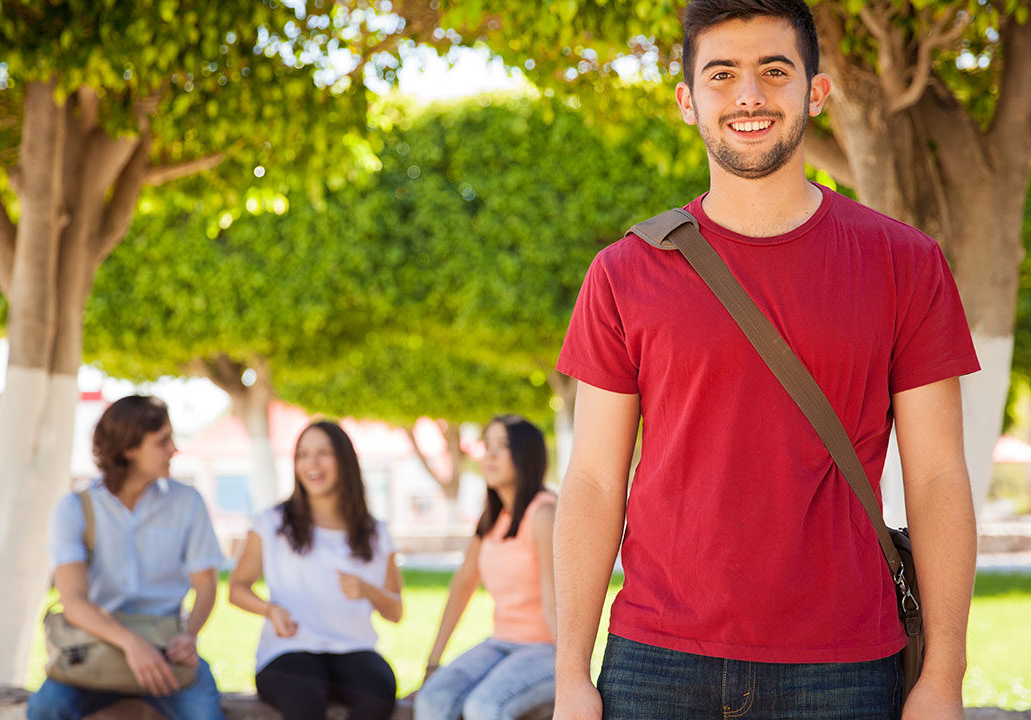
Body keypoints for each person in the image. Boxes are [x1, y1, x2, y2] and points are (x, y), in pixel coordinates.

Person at [551, 2, 982, 719]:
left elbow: (937, 475)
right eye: (722, 75)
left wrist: (945, 675)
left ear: (816, 91)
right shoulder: (624, 272)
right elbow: (594, 480)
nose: (748, 95)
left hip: (843, 667)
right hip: (654, 661)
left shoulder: (905, 263)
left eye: (773, 72)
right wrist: (569, 672)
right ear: (688, 101)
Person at [27, 395, 227, 720]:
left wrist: (188, 635)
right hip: (95, 647)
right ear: (128, 448)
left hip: (167, 649)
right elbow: (73, 601)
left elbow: (206, 586)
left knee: (205, 716)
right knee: (46, 709)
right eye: (162, 441)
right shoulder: (74, 510)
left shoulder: (188, 503)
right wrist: (132, 645)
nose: (174, 450)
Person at [229, 421, 403, 720]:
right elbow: (237, 588)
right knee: (306, 702)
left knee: (378, 694)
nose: (312, 463)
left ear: (345, 461)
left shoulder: (376, 532)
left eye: (323, 453)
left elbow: (395, 611)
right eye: (303, 454)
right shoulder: (272, 523)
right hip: (290, 651)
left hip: (354, 649)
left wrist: (368, 591)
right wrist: (270, 610)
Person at [415, 415, 558, 720]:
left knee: (484, 708)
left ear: (526, 455)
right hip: (500, 643)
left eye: (502, 446)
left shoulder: (544, 513)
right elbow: (463, 584)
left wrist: (573, 671)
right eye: (487, 445)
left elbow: (556, 598)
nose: (489, 455)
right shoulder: (492, 519)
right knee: (432, 700)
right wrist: (434, 660)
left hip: (546, 649)